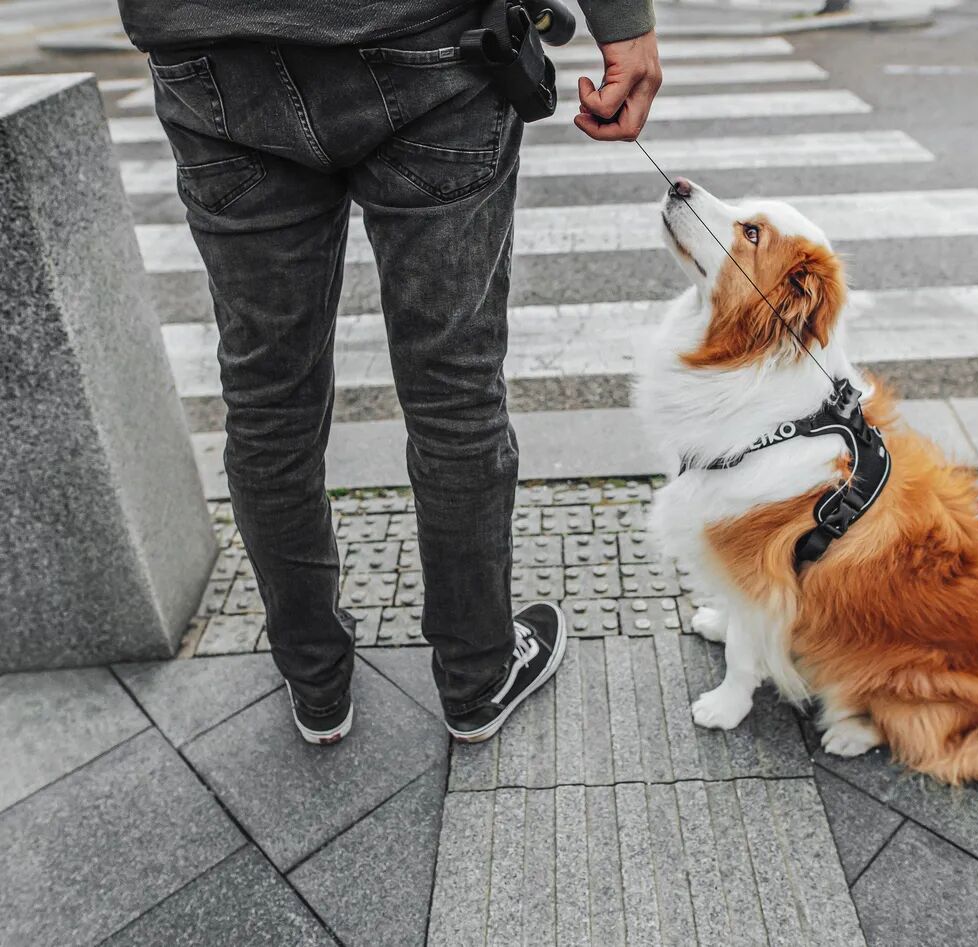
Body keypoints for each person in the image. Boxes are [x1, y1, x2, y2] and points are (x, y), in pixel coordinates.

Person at [115, 0, 662, 744]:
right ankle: (477, 674)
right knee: (454, 391)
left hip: (210, 54)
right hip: (425, 41)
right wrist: (623, 22)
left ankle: (315, 682)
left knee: (267, 399)